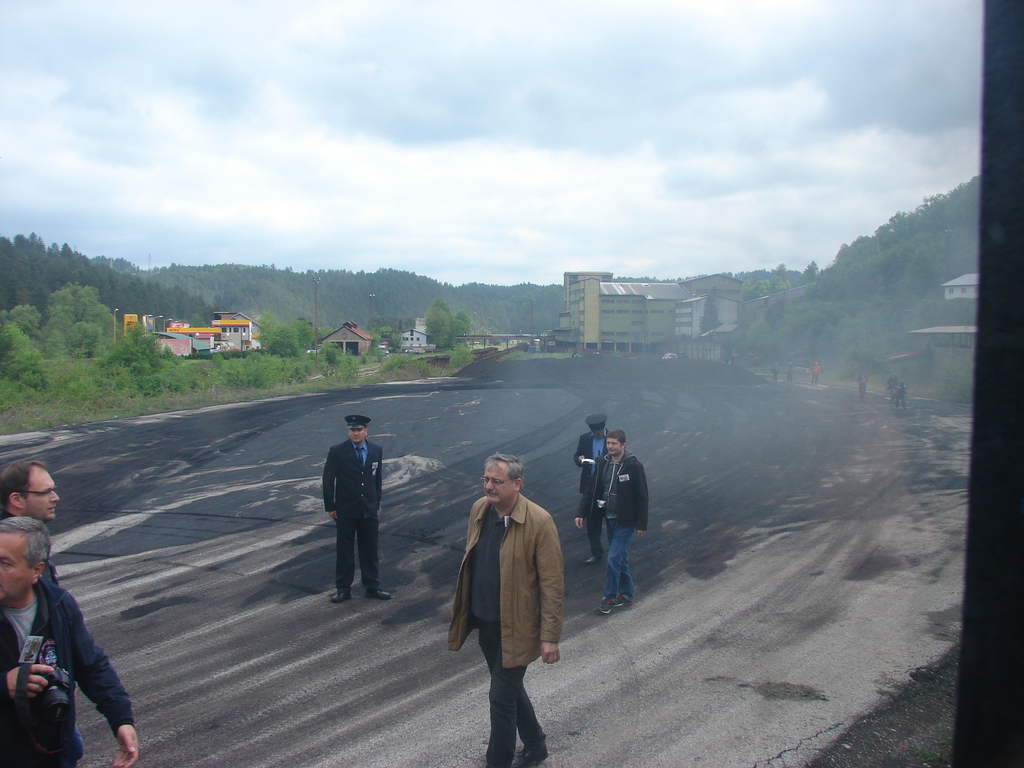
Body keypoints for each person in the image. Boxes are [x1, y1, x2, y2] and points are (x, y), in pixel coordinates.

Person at [449, 454, 563, 768]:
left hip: (520, 627)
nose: (489, 486)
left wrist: (550, 637)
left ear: (517, 483)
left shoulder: (539, 521)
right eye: (486, 480)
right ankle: (536, 747)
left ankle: (497, 762)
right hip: (485, 621)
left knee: (500, 696)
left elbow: (552, 583)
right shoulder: (479, 509)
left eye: (497, 481)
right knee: (509, 690)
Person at [0, 517, 138, 767]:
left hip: (52, 752)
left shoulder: (58, 605)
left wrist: (121, 720)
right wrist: (4, 684)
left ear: (36, 570)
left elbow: (91, 665)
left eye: (4, 563)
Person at [576, 429, 648, 615]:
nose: (610, 447)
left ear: (623, 445)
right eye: (608, 443)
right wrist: (581, 513)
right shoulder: (602, 463)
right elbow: (591, 490)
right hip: (609, 518)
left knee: (613, 557)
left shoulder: (633, 466)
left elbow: (642, 496)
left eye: (614, 444)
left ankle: (608, 597)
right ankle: (627, 595)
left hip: (626, 521)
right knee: (620, 558)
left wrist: (641, 524)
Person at [322, 414, 390, 602]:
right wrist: (331, 505)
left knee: (370, 550)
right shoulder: (338, 451)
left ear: (366, 431)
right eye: (353, 430)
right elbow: (328, 480)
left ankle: (372, 587)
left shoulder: (376, 450)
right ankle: (343, 589)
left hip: (368, 510)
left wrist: (375, 504)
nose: (356, 433)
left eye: (359, 430)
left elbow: (377, 480)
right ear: (348, 431)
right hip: (346, 509)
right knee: (345, 551)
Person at [1, 460, 61, 583]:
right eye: (45, 492)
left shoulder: (30, 536)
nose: (55, 498)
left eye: (53, 490)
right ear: (17, 499)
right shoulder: (9, 551)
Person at [572, 413, 608, 565]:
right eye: (595, 432)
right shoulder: (584, 438)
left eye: (600, 432)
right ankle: (596, 553)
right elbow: (577, 456)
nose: (598, 434)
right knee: (592, 522)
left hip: (607, 483)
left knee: (613, 518)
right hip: (591, 484)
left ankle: (616, 551)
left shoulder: (612, 439)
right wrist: (580, 459)